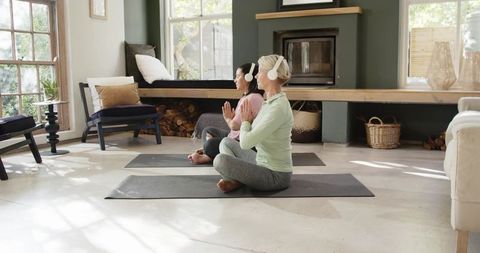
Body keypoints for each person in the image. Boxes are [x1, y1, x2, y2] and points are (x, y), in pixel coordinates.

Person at [213, 54, 294, 193]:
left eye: (260, 71)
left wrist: (245, 122)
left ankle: (235, 179)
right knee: (226, 142)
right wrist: (246, 123)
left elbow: (246, 143)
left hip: (275, 175)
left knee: (220, 160)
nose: (256, 76)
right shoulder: (269, 102)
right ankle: (236, 179)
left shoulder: (278, 108)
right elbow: (252, 133)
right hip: (260, 162)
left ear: (272, 74)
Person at [188, 63, 264, 164]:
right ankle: (210, 153)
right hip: (235, 137)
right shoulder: (248, 97)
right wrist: (232, 118)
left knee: (209, 144)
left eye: (237, 76)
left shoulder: (252, 98)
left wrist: (228, 118)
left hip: (244, 144)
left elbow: (235, 126)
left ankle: (208, 155)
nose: (235, 80)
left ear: (248, 77)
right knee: (208, 131)